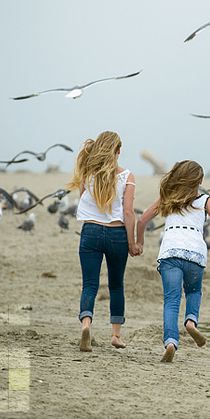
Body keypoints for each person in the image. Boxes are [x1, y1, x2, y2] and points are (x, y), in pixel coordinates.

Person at [136, 160, 210, 362]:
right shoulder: (205, 200)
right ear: (200, 180)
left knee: (171, 301)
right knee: (193, 291)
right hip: (195, 254)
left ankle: (171, 343)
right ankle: (191, 322)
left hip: (171, 253)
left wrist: (139, 242)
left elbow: (141, 220)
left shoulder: (167, 198)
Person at [68, 131, 142, 352]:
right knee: (116, 285)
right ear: (118, 151)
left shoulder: (87, 173)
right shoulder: (127, 176)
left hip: (90, 231)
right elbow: (128, 213)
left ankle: (86, 324)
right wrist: (132, 242)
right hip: (116, 234)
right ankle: (116, 335)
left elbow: (82, 197)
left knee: (89, 284)